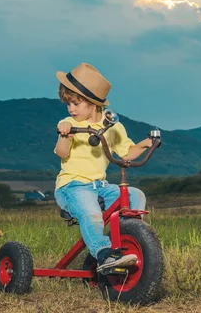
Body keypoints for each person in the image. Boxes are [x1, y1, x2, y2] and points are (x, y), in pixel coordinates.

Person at [54, 63, 152, 273]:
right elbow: (62, 153)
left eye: (76, 103)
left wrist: (147, 143)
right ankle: (104, 253)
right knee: (92, 213)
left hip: (100, 186)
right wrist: (64, 134)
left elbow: (126, 154)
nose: (71, 109)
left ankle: (126, 242)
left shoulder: (112, 126)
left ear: (93, 104)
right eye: (68, 104)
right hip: (72, 186)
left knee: (135, 196)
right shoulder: (69, 123)